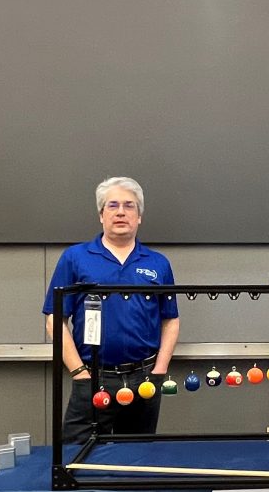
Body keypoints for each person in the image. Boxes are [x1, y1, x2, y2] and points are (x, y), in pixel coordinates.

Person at [43, 177, 179, 442]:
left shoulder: (158, 263)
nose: (120, 212)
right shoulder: (75, 257)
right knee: (78, 459)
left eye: (129, 206)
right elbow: (54, 319)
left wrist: (159, 370)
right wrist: (79, 372)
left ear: (139, 216)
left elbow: (170, 320)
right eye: (112, 205)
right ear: (101, 215)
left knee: (137, 459)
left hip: (145, 380)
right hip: (92, 378)